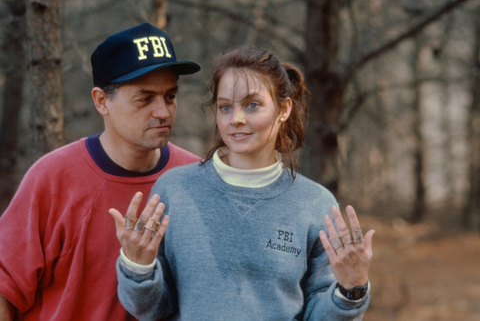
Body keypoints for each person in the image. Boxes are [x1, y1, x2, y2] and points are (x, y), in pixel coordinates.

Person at [111, 46, 375, 320]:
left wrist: (350, 290)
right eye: (225, 107)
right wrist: (138, 268)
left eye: (252, 105)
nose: (236, 119)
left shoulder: (315, 204)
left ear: (283, 109)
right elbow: (151, 310)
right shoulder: (175, 190)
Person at [0, 22, 202, 321]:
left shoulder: (196, 177)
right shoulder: (54, 176)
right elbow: (6, 288)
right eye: (145, 98)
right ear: (101, 101)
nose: (162, 111)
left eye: (170, 96)